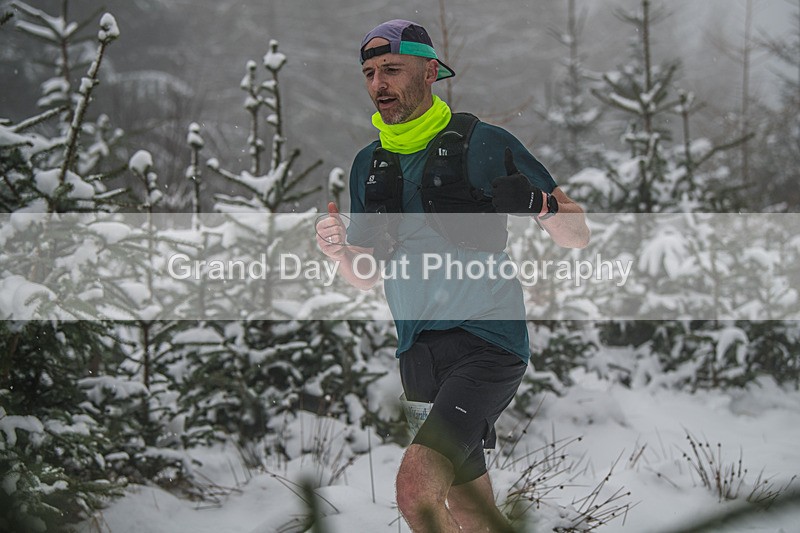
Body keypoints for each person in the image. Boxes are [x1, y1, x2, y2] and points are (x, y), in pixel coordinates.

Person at [316, 19, 590, 533]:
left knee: (415, 492)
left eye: (392, 69)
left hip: (487, 344)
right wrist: (339, 252)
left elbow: (578, 233)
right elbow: (366, 274)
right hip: (417, 353)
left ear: (429, 72)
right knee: (472, 512)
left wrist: (541, 205)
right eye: (370, 73)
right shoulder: (369, 164)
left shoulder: (484, 144)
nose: (379, 84)